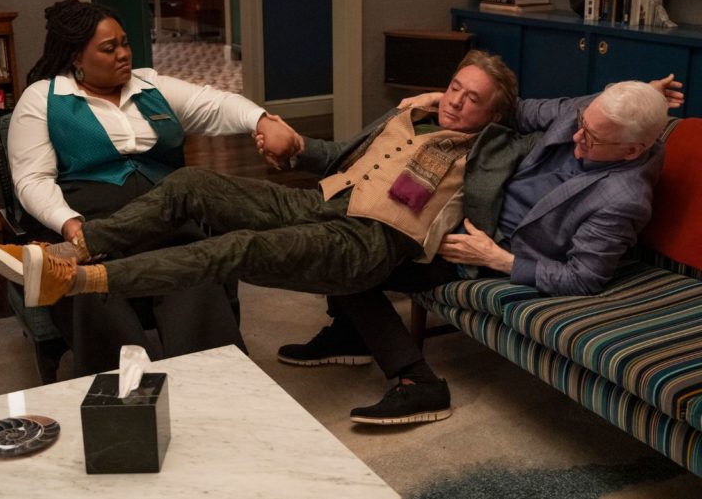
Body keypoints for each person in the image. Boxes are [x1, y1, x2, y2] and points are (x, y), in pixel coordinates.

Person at [0, 52, 517, 403]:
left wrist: (475, 114)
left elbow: (547, 116)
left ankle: (76, 280)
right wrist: (297, 144)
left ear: (494, 116)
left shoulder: (493, 147)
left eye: (472, 99)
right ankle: (75, 250)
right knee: (193, 183)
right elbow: (342, 156)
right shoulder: (410, 115)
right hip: (324, 204)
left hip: (365, 241)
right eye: (453, 87)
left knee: (233, 247)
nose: (455, 101)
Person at [277, 74, 682, 425]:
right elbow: (514, 109)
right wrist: (438, 99)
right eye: (582, 124)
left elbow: (584, 277)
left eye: (591, 139)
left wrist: (498, 260)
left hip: (486, 247)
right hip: (469, 199)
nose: (577, 137)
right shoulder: (588, 115)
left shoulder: (623, 199)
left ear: (632, 150)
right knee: (353, 218)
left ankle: (419, 383)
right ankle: (348, 334)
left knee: (351, 260)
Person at [0, 0, 294, 375]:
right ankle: (127, 393)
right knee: (88, 287)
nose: (123, 54)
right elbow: (33, 180)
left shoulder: (150, 85)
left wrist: (262, 120)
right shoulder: (44, 99)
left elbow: (215, 104)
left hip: (167, 222)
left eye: (125, 43)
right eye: (109, 48)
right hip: (88, 224)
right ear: (76, 57)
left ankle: (212, 382)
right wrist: (68, 223)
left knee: (192, 268)